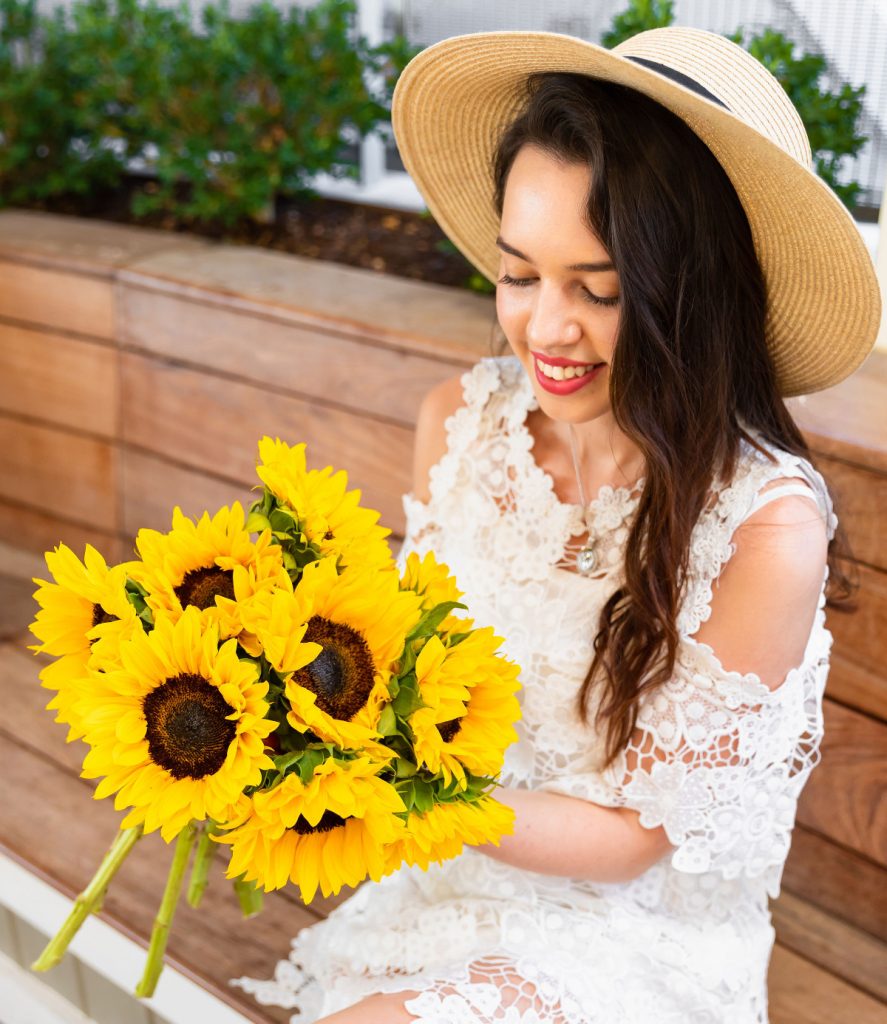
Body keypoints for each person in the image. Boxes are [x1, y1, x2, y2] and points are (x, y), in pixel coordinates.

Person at [231, 25, 881, 1024]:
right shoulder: (458, 422)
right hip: (444, 884)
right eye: (519, 273)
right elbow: (408, 667)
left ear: (690, 296)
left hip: (630, 938)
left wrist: (407, 795)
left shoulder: (762, 529)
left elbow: (632, 837)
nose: (544, 328)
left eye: (600, 289)